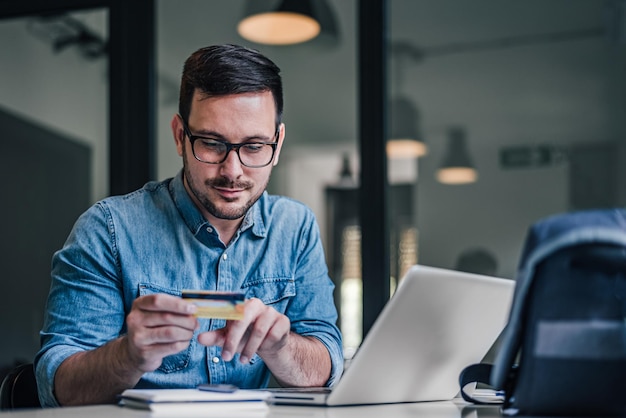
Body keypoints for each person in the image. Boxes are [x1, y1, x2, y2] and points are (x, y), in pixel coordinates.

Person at [34, 44, 343, 407]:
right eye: (212, 144)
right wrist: (128, 355)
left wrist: (281, 347)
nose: (233, 171)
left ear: (277, 144)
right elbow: (59, 389)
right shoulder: (108, 230)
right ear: (180, 135)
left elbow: (326, 359)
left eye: (255, 146)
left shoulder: (296, 228)